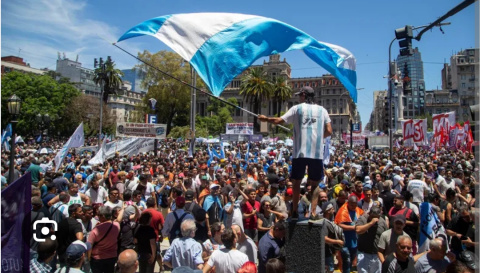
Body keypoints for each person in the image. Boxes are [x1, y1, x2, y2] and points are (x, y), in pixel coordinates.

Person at [258, 86, 333, 221]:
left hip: (300, 152)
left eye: (300, 95)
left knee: (296, 182)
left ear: (304, 95)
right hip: (316, 153)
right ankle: (314, 212)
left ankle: (294, 211)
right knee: (315, 183)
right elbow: (329, 130)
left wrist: (265, 119)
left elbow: (278, 121)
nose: (298, 97)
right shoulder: (323, 110)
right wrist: (318, 138)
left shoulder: (297, 108)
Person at [334, 195, 364, 273]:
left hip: (354, 242)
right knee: (346, 262)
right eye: (352, 205)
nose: (354, 207)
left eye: (355, 205)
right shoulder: (343, 211)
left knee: (350, 262)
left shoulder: (358, 210)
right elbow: (339, 224)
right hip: (344, 242)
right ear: (348, 203)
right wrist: (353, 228)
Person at [87, 206, 120, 273]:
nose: (97, 217)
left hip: (97, 259)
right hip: (112, 257)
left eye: (99, 215)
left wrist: (88, 258)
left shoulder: (95, 230)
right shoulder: (117, 225)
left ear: (103, 216)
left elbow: (89, 245)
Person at [355, 206, 387, 273]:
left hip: (376, 254)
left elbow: (385, 237)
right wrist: (371, 223)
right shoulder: (363, 219)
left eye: (377, 217)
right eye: (372, 217)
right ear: (369, 213)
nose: (375, 219)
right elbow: (358, 230)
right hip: (363, 253)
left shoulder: (382, 222)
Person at [322, 201, 344, 273]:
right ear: (328, 211)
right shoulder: (324, 223)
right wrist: (337, 241)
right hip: (325, 253)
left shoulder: (329, 221)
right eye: (332, 209)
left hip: (329, 251)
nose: (333, 210)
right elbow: (324, 238)